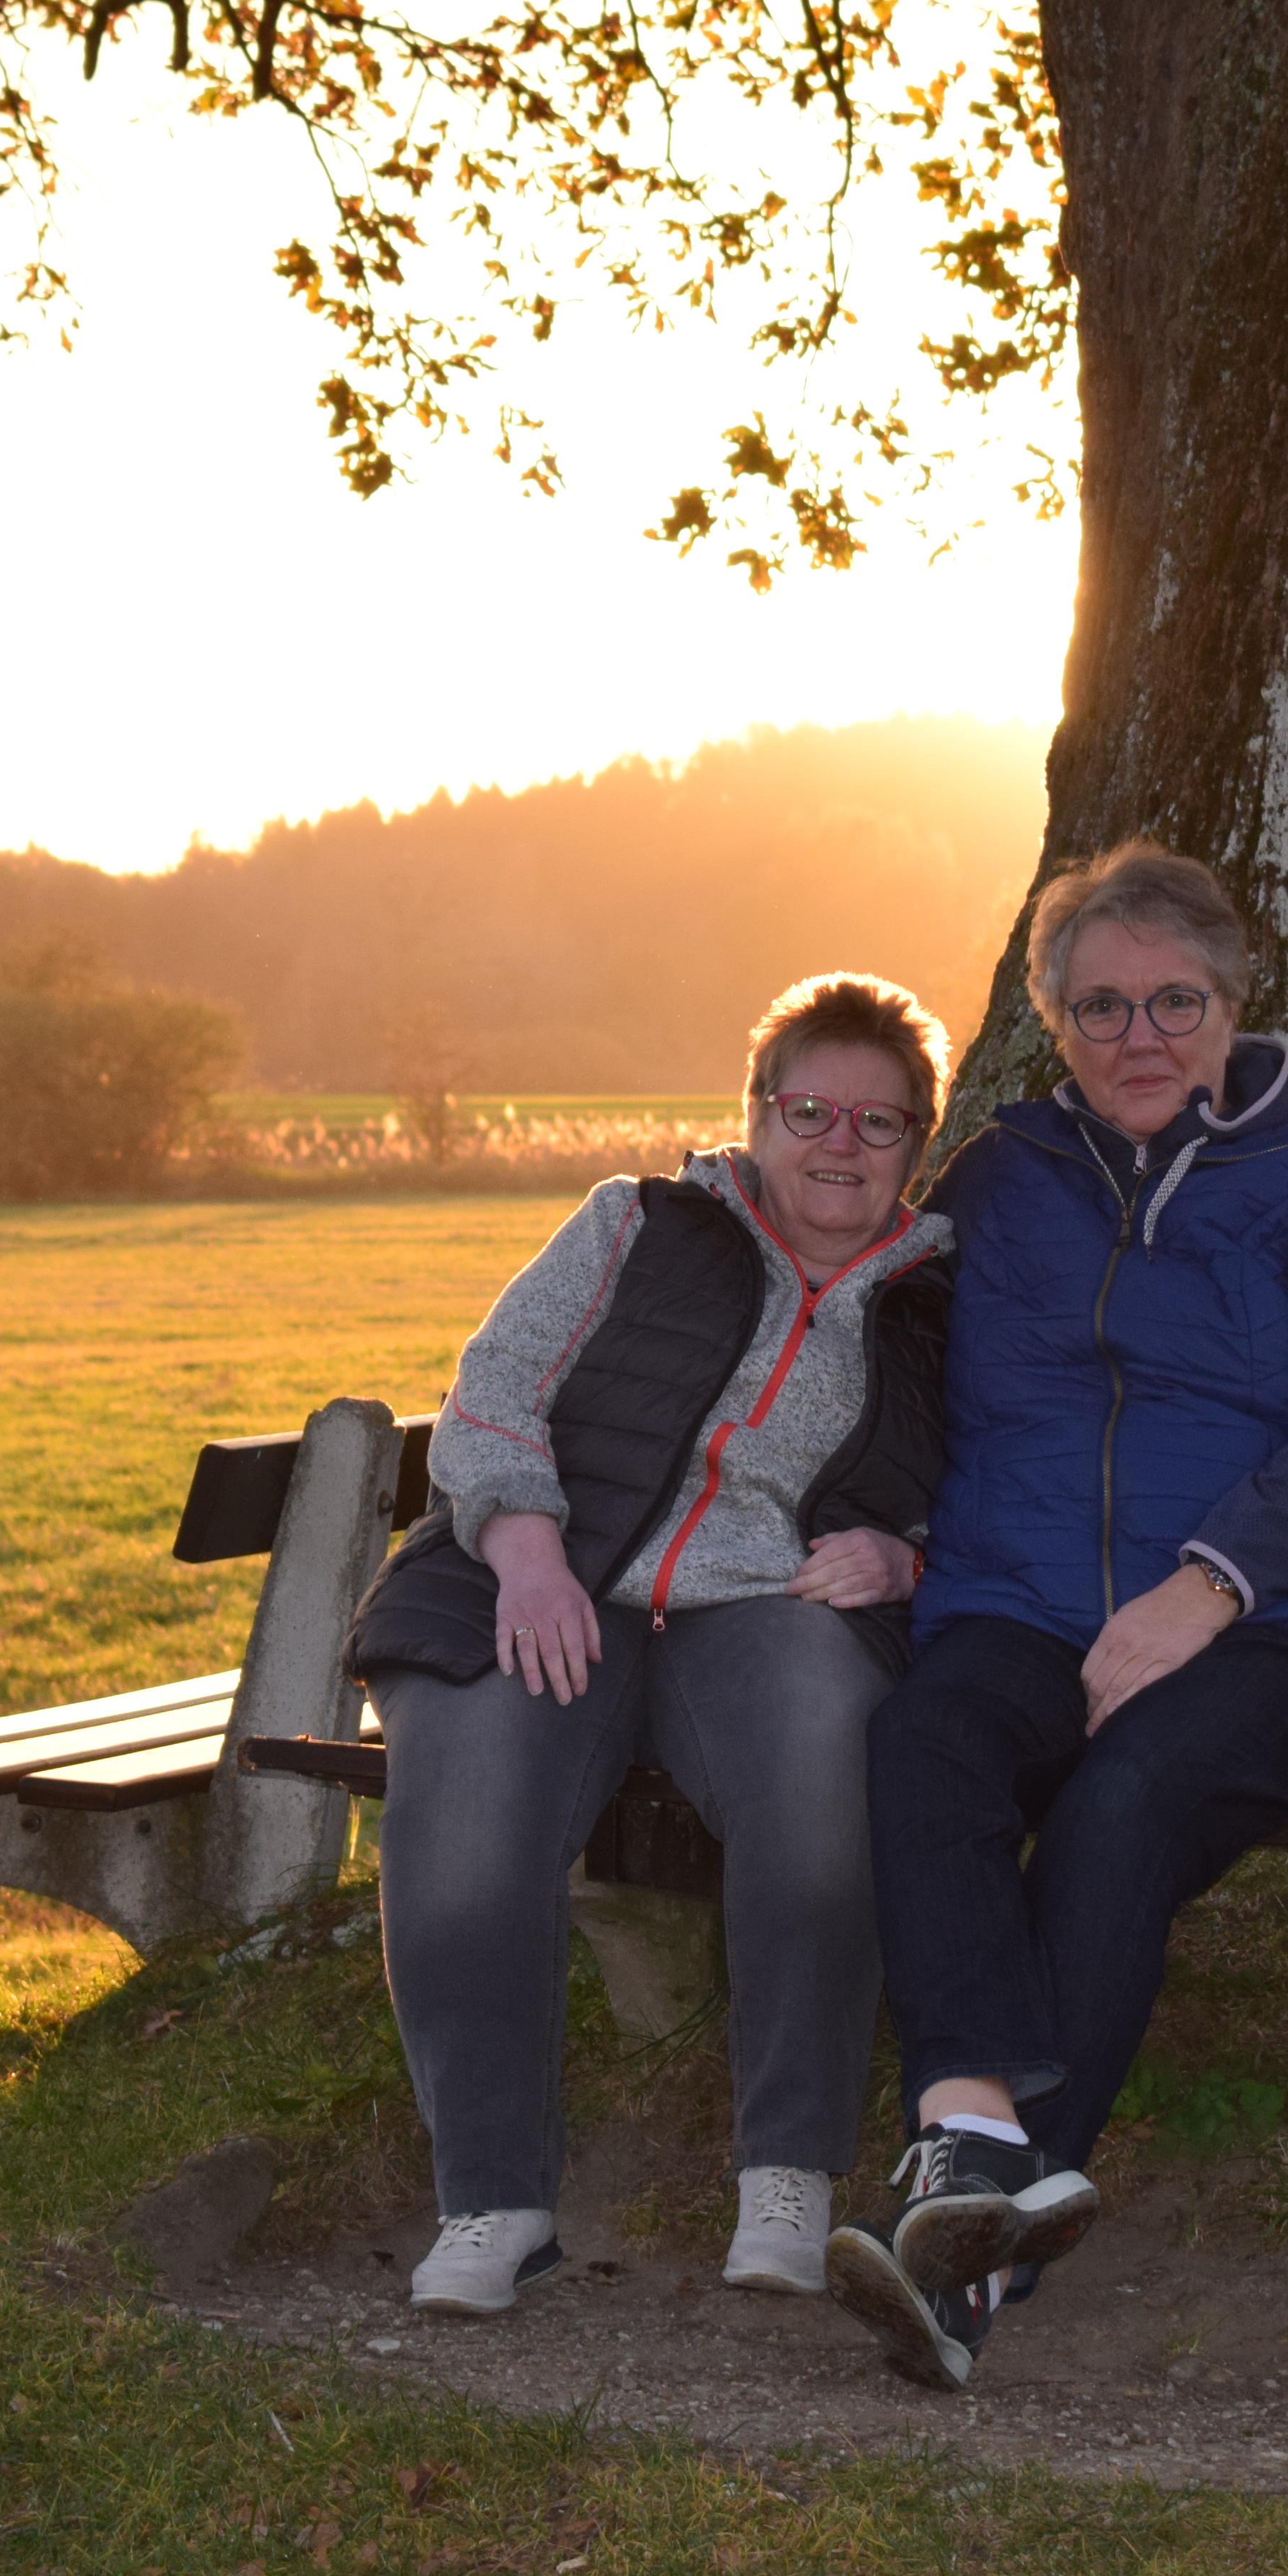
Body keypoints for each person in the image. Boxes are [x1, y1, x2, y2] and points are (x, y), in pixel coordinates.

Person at [824, 843, 1288, 2390]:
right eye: (1101, 1005)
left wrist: (1207, 1586)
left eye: (1175, 1000)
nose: (1140, 1034)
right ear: (1055, 1021)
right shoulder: (999, 1181)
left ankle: (976, 2251)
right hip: (1025, 1610)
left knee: (1130, 1789)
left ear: (1232, 1005)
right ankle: (972, 2144)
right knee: (928, 1740)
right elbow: (878, 1354)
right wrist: (893, 1532)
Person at [343, 972, 957, 2317]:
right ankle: (494, 2201)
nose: (840, 1144)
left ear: (918, 1145)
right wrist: (526, 1553)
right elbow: (493, 1392)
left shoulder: (941, 1301)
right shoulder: (634, 1223)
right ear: (757, 1113)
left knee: (825, 1774)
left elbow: (1001, 1484)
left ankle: (787, 2176)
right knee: (470, 1819)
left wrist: (910, 1556)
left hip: (770, 1605)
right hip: (548, 1575)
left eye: (880, 1122)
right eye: (810, 1110)